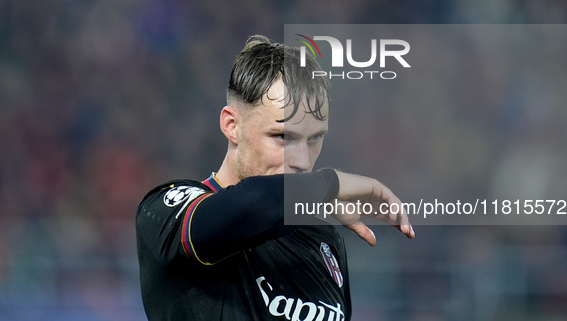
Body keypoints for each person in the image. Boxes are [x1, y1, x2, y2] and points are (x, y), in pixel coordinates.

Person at [136, 35, 415, 321]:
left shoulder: (324, 239)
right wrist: (330, 184)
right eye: (282, 136)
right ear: (232, 126)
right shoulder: (164, 211)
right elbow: (253, 205)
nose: (302, 161)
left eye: (315, 139)